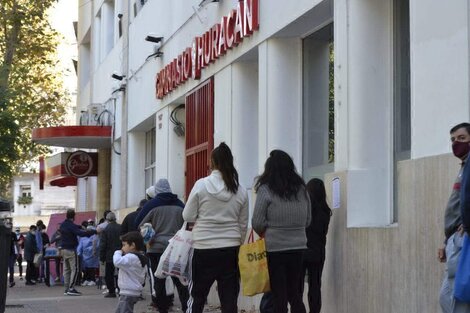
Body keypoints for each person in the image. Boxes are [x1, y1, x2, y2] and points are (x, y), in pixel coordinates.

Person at [183, 142, 249, 313]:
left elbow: (187, 216)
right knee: (229, 299)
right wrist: (237, 241)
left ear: (212, 162)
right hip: (230, 249)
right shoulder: (240, 190)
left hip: (203, 248)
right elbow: (243, 223)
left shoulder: (201, 185)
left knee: (197, 296)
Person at [252, 149, 311, 313]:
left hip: (274, 249)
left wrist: (271, 230)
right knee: (295, 294)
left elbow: (257, 222)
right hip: (299, 247)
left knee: (279, 295)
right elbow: (308, 220)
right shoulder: (302, 189)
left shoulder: (265, 190)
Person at [138, 179, 188, 313]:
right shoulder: (180, 204)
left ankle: (162, 309)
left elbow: (138, 222)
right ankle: (186, 307)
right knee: (179, 279)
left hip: (155, 248)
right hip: (176, 248)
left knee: (159, 280)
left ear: (157, 191)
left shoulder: (151, 205)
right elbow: (188, 223)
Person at [442, 123, 470, 312]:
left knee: (455, 298)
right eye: (453, 140)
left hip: (463, 239)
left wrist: (467, 225)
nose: (456, 143)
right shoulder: (464, 166)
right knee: (447, 297)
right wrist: (445, 241)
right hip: (455, 238)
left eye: (462, 138)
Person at [300, 178, 332, 313]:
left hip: (303, 251)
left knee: (297, 287)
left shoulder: (305, 210)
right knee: (315, 286)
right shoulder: (326, 212)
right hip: (318, 253)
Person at [60, 209, 97, 296]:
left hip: (63, 250)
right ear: (74, 216)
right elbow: (80, 234)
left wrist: (80, 227)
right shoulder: (71, 226)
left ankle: (66, 288)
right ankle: (71, 288)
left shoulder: (63, 225)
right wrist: (93, 232)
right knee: (75, 269)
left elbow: (73, 227)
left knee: (66, 269)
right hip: (71, 250)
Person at [113, 231, 148, 313]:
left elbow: (117, 261)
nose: (122, 248)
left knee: (125, 310)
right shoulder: (140, 257)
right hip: (131, 290)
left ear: (132, 245)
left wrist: (117, 252)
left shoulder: (132, 257)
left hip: (128, 291)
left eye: (124, 245)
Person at [100, 211, 122, 298]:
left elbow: (103, 245)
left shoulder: (105, 230)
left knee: (109, 274)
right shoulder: (121, 227)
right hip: (120, 253)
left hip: (109, 255)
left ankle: (111, 291)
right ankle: (121, 290)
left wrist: (102, 258)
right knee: (121, 273)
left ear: (107, 220)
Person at [8, 222, 20, 287]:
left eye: (11, 226)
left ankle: (11, 281)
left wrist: (18, 252)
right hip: (3, 254)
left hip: (11, 254)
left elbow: (16, 244)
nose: (10, 228)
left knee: (11, 267)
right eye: (9, 226)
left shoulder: (13, 234)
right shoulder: (3, 234)